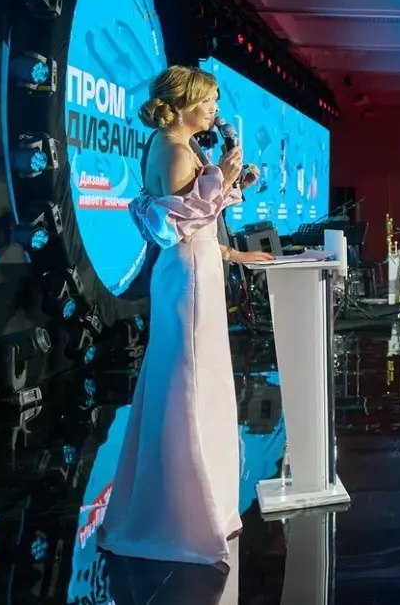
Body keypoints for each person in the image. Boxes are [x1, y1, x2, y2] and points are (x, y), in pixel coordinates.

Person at [99, 66, 273, 566]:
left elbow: (199, 212)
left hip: (197, 270)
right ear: (183, 105)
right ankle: (183, 518)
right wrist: (226, 177)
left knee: (196, 378)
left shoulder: (180, 146)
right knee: (189, 379)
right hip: (188, 276)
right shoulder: (174, 151)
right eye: (209, 102)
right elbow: (180, 225)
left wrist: (231, 183)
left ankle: (201, 505)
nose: (215, 111)